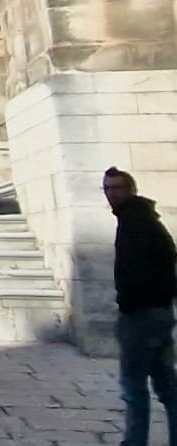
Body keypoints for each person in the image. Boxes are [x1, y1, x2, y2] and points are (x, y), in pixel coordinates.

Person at [106, 167, 177, 446]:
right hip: (158, 312)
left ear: (130, 190)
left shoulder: (135, 222)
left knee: (133, 385)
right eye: (107, 189)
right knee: (166, 385)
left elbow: (139, 271)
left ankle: (135, 442)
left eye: (117, 188)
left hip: (141, 316)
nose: (112, 194)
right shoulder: (144, 219)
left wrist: (129, 303)